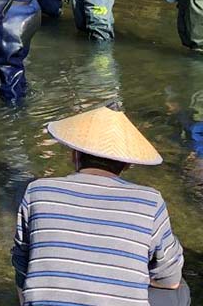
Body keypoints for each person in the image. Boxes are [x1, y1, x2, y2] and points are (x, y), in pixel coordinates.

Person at [12, 105, 190, 306]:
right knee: (180, 291)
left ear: (75, 155)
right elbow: (170, 279)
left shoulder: (38, 191)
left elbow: (22, 263)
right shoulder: (150, 201)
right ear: (128, 163)